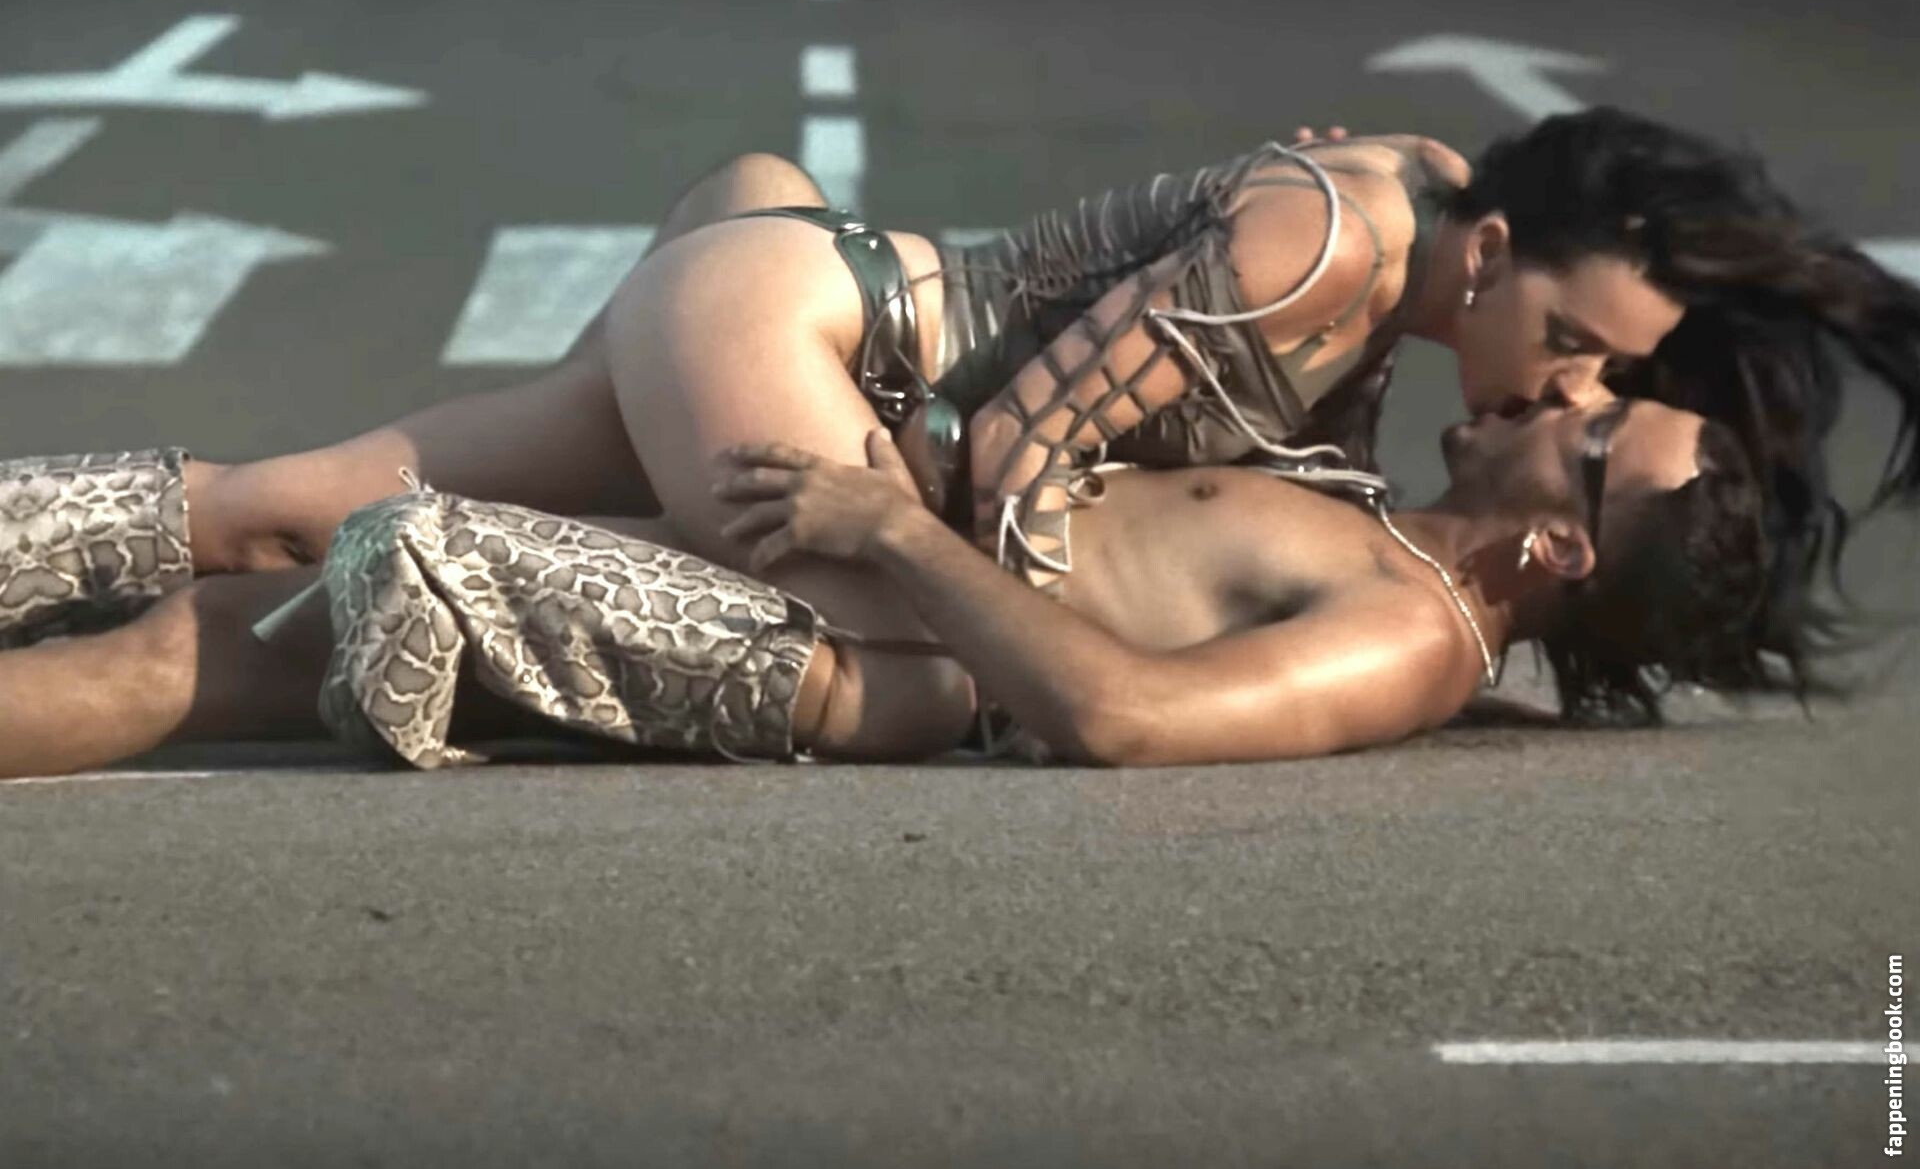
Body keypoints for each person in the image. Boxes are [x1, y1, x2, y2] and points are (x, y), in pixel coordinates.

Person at [2, 109, 1915, 724]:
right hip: (836, 361)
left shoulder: (1404, 195)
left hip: (788, 303)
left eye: (1605, 395)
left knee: (283, 517)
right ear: (1495, 250)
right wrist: (925, 558)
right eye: (1577, 349)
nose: (1571, 386)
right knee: (352, 585)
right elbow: (1017, 462)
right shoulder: (1330, 250)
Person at [0, 395, 1777, 777]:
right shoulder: (1383, 518)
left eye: (1595, 434)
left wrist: (900, 529)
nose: (1569, 396)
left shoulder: (1409, 636)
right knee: (206, 622)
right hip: (836, 579)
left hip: (824, 647)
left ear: (1560, 547)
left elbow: (1127, 716)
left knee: (385, 558)